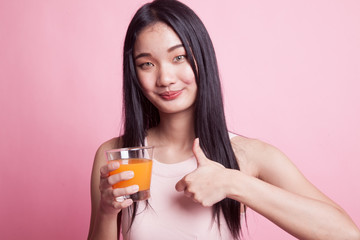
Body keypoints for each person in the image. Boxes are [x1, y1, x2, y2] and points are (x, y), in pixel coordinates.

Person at [88, 0, 360, 239]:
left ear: (202, 58)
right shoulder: (117, 157)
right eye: (147, 63)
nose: (165, 78)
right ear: (133, 73)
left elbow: (346, 234)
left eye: (179, 57)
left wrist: (233, 183)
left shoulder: (246, 154)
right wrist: (107, 212)